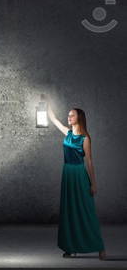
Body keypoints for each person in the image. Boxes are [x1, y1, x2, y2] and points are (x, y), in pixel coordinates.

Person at [47, 103, 106, 260]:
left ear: (79, 118)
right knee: (69, 212)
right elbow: (53, 119)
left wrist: (93, 183)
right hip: (67, 174)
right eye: (68, 115)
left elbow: (90, 162)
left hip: (79, 174)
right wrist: (46, 103)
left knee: (85, 211)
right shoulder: (67, 133)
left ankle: (100, 247)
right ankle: (70, 247)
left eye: (72, 115)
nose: (68, 117)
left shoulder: (85, 139)